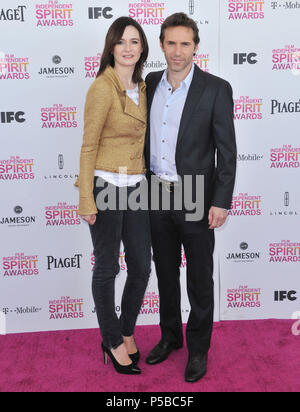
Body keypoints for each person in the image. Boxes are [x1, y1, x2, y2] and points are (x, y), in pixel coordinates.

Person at [145, 13, 237, 382]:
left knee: (199, 277)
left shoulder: (216, 88)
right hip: (154, 192)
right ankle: (170, 337)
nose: (177, 51)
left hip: (197, 195)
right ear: (162, 45)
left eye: (185, 43)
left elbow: (226, 151)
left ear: (196, 46)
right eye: (171, 43)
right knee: (165, 272)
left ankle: (198, 348)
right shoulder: (150, 83)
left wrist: (221, 200)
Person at [75, 17, 151, 375]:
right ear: (111, 47)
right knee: (107, 267)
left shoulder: (145, 87)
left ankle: (126, 329)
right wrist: (86, 199)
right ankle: (111, 338)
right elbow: (89, 145)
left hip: (135, 186)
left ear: (142, 48)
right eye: (121, 42)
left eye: (134, 41)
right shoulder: (101, 88)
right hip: (105, 186)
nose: (128, 48)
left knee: (140, 265)